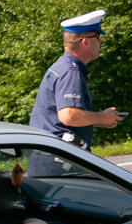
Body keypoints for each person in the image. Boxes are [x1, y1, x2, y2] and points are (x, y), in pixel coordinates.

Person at [29, 9, 124, 152]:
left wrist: (100, 120)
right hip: (60, 160)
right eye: (97, 36)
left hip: (52, 155)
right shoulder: (70, 71)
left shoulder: (62, 66)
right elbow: (69, 116)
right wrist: (102, 117)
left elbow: (57, 121)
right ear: (85, 42)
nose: (100, 41)